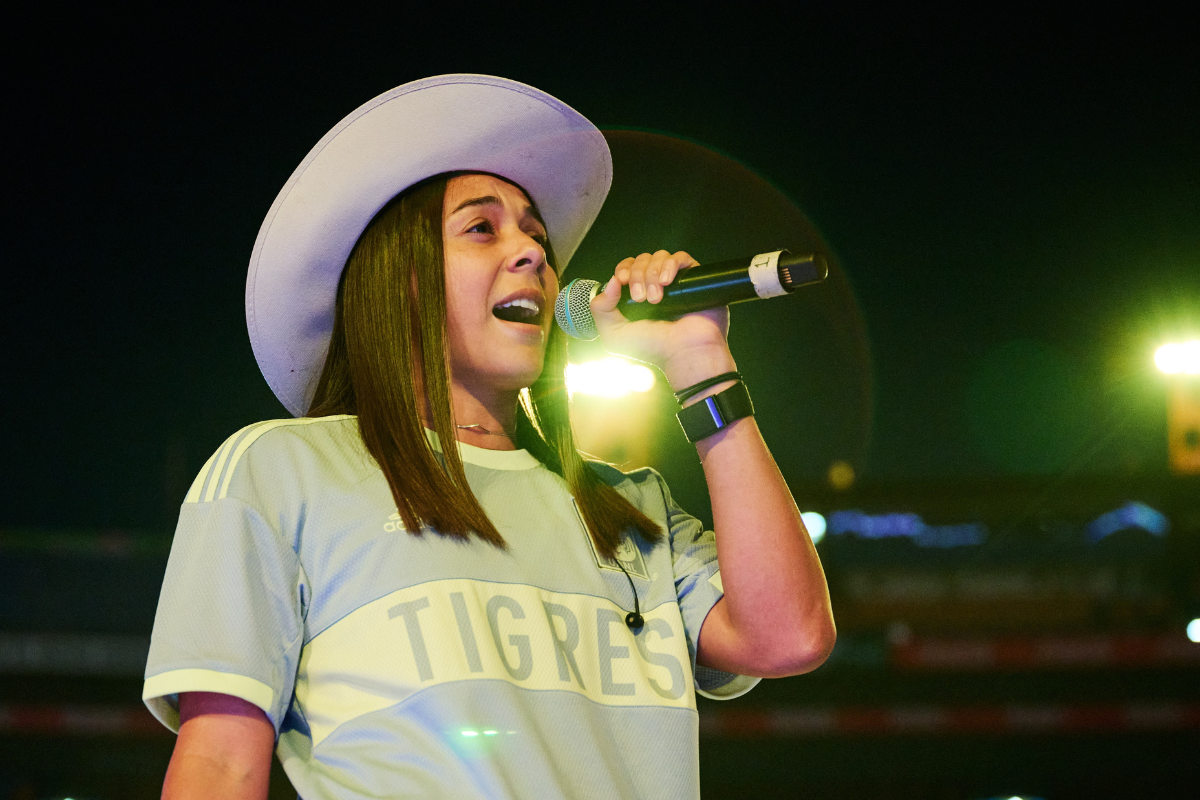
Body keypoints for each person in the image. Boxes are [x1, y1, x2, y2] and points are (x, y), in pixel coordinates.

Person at [144, 74, 835, 799]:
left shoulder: (626, 504)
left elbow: (789, 637)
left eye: (536, 234)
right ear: (398, 278)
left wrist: (702, 367)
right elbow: (220, 763)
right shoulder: (283, 470)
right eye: (482, 227)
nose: (533, 253)